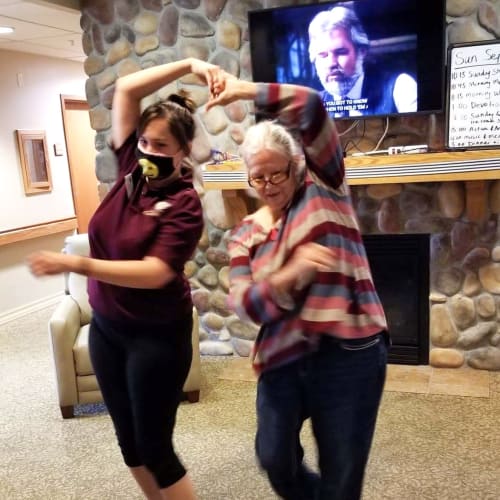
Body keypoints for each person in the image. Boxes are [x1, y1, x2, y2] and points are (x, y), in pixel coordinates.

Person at [27, 57, 220, 500]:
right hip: (108, 331)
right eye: (146, 141)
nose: (149, 151)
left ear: (183, 151)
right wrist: (190, 62)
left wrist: (78, 264)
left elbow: (154, 274)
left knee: (155, 449)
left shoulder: (186, 204)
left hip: (156, 338)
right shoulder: (130, 170)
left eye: (161, 145)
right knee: (130, 447)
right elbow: (128, 89)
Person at [206, 73, 390, 500]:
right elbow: (243, 302)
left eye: (277, 174)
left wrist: (243, 89)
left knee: (341, 473)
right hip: (281, 356)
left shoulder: (325, 185)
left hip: (349, 351)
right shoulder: (244, 233)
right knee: (273, 456)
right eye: (258, 178)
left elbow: (309, 105)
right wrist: (289, 276)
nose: (269, 186)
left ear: (297, 165)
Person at [308, 2, 417, 118]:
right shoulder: (314, 106)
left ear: (361, 52)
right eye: (323, 55)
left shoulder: (400, 87)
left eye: (340, 52)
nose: (331, 63)